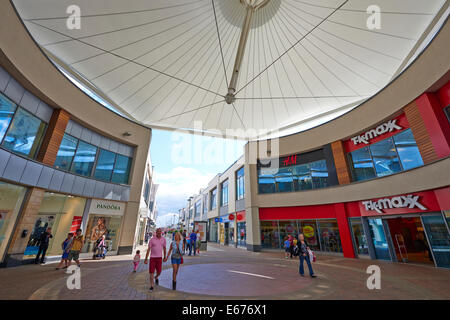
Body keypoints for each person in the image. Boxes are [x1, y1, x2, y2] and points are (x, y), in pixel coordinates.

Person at [144, 228, 166, 292]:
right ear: (156, 232)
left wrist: (165, 257)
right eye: (158, 232)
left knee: (159, 272)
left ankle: (156, 277)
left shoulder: (163, 239)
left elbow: (164, 248)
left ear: (161, 232)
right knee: (151, 272)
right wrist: (146, 259)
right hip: (152, 258)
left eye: (160, 232)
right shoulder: (152, 240)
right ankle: (151, 286)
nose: (159, 233)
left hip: (159, 258)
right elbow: (148, 249)